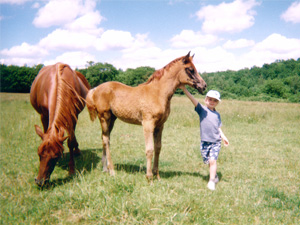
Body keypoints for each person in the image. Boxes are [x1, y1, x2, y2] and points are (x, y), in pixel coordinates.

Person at [180, 85, 229, 191]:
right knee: (208, 161)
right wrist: (184, 89)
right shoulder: (202, 110)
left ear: (217, 103)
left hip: (216, 141)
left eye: (215, 101)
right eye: (210, 99)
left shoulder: (217, 115)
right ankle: (215, 176)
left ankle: (211, 181)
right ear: (206, 100)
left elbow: (218, 128)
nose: (212, 102)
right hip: (204, 142)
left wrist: (224, 137)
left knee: (212, 161)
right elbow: (192, 99)